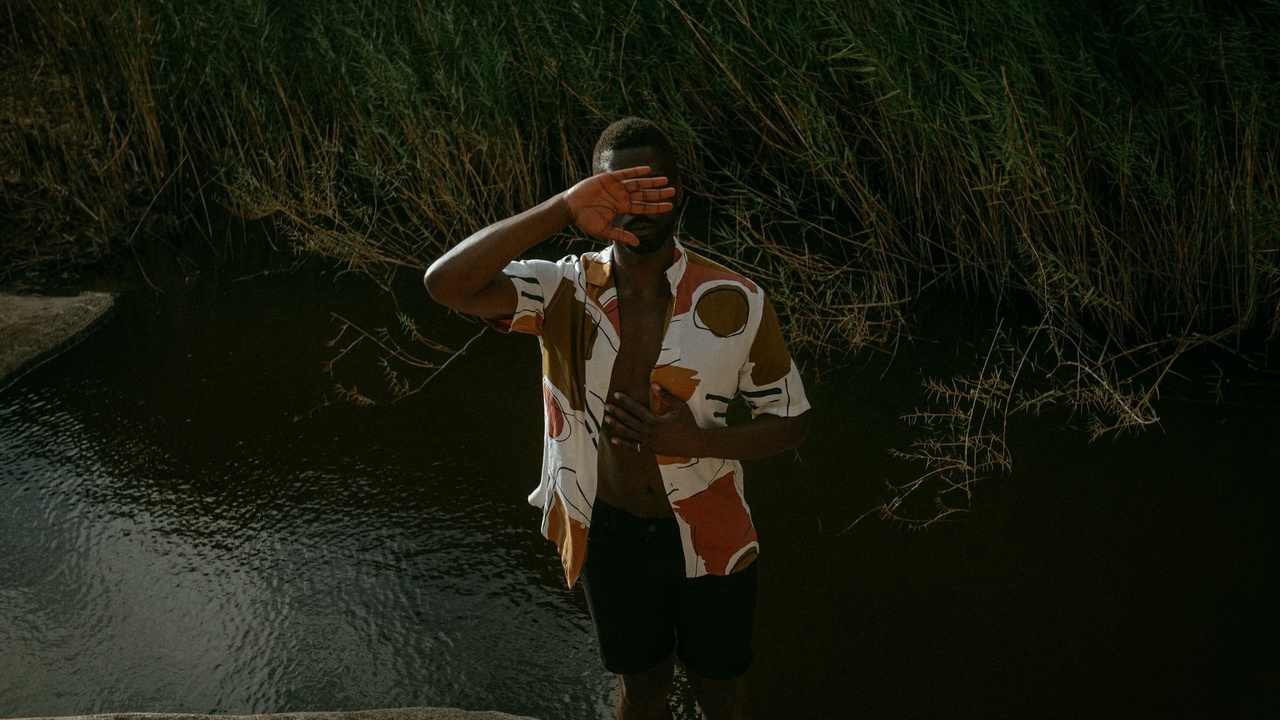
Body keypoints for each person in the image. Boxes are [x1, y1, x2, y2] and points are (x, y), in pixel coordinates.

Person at [424, 117, 811, 720]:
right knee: (642, 688)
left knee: (722, 693)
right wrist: (562, 208)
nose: (637, 207)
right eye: (618, 191)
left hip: (713, 530)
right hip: (611, 537)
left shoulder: (737, 299)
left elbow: (791, 421)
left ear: (679, 194)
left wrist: (693, 440)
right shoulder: (563, 291)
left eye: (652, 189)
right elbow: (446, 284)